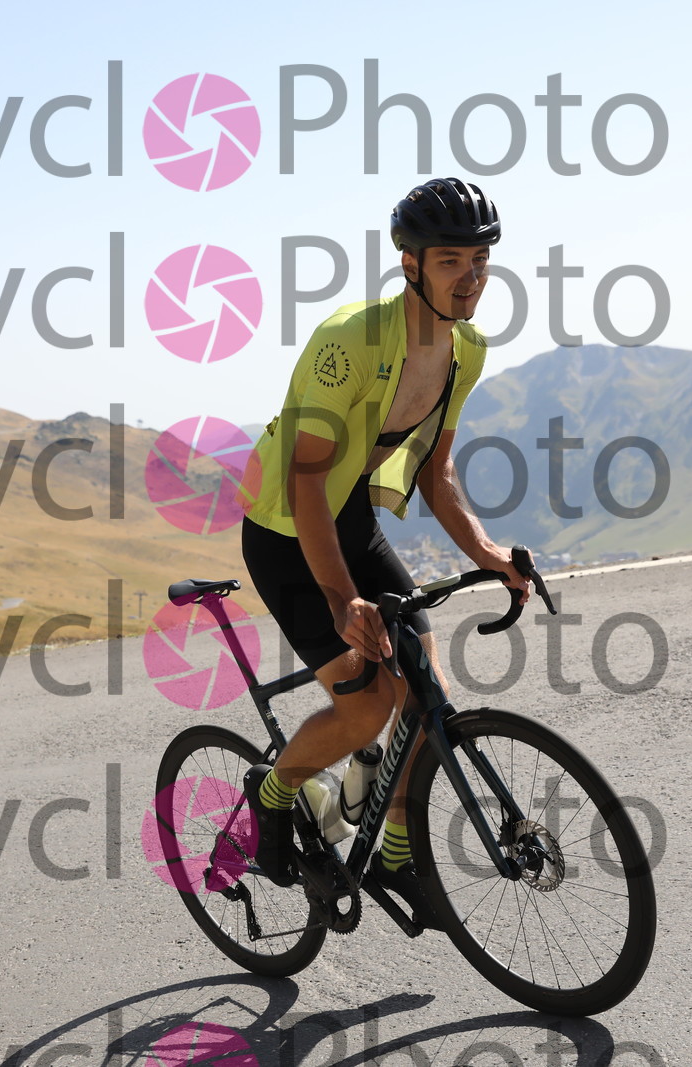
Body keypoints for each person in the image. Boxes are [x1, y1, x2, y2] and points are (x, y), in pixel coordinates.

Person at [236, 177, 530, 926]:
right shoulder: (349, 341)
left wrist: (490, 552)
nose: (471, 278)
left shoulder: (466, 349)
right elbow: (306, 479)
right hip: (286, 530)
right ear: (410, 264)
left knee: (424, 689)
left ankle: (396, 850)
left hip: (351, 516)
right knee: (368, 704)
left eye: (480, 260)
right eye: (450, 261)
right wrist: (343, 602)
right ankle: (271, 794)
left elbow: (436, 470)